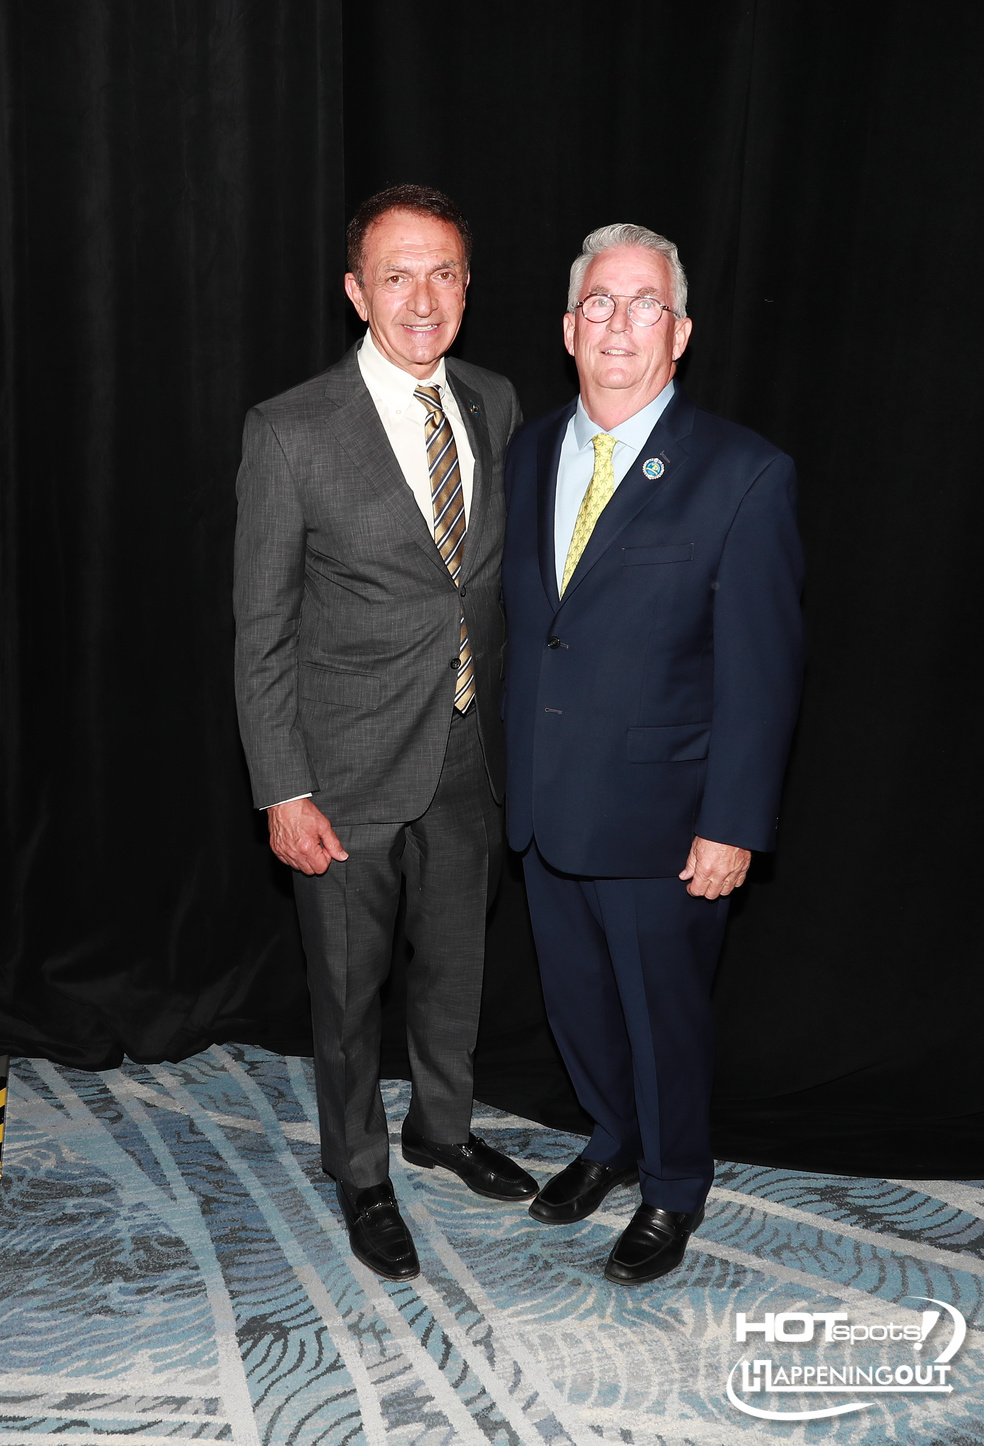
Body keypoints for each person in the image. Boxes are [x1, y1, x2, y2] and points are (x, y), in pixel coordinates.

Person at [233, 185, 536, 1282]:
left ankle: (442, 1131)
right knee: (350, 992)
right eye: (397, 275)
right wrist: (283, 789)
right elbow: (260, 631)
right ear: (357, 291)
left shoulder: (495, 403)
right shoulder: (291, 429)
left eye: (443, 272)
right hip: (345, 772)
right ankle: (361, 1172)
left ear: (467, 285)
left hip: (468, 754)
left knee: (458, 968)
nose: (423, 297)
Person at [501, 223, 804, 1284]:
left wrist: (733, 824)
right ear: (567, 327)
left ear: (678, 334)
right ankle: (612, 1141)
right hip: (544, 804)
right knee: (579, 1007)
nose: (618, 324)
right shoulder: (531, 449)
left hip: (666, 818)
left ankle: (675, 1188)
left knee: (662, 1018)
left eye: (643, 306)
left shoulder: (743, 473)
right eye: (599, 303)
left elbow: (763, 672)